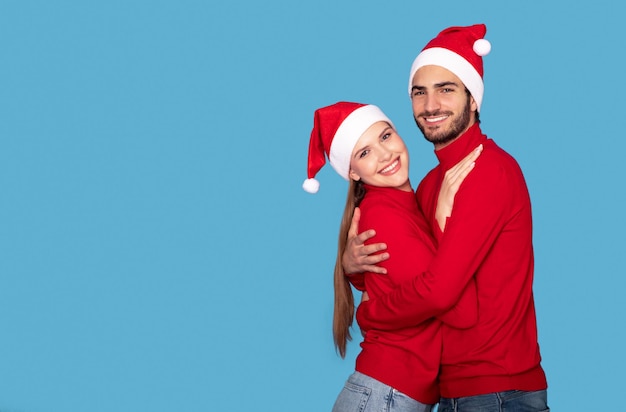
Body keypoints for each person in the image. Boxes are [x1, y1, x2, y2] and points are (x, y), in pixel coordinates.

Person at [343, 24, 549, 412]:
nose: (431, 105)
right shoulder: (430, 183)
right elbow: (409, 268)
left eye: (446, 89)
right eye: (419, 92)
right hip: (450, 390)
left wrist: (369, 312)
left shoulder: (490, 172)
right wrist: (354, 268)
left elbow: (439, 291)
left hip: (498, 391)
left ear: (473, 100)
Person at [303, 101, 482, 412]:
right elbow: (460, 311)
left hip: (393, 393)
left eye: (385, 137)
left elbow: (389, 278)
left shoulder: (408, 204)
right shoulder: (384, 215)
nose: (384, 154)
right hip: (386, 395)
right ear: (353, 173)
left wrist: (354, 273)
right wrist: (444, 221)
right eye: (364, 152)